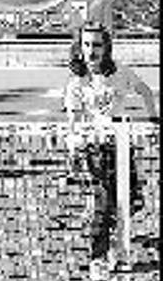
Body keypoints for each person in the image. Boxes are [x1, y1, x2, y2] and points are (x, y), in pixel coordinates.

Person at [62, 22, 157, 279]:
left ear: (107, 48)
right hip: (95, 151)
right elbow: (73, 123)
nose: (91, 51)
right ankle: (99, 258)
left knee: (131, 202)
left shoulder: (121, 73)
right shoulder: (76, 84)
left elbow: (146, 92)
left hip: (123, 148)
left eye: (97, 45)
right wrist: (73, 149)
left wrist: (153, 120)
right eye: (86, 45)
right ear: (79, 48)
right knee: (104, 205)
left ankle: (115, 239)